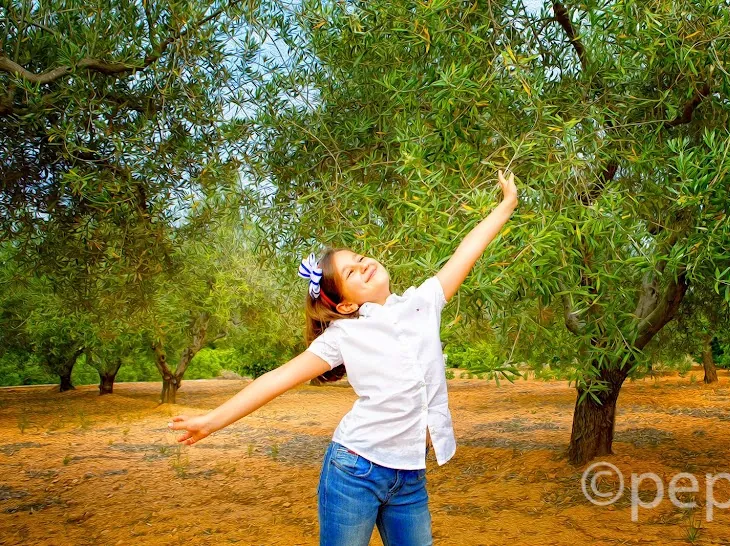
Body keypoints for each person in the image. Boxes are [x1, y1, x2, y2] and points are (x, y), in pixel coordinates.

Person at [168, 169, 519, 545]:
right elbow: (275, 380)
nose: (364, 264)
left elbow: (466, 251)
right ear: (347, 303)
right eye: (351, 271)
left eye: (361, 257)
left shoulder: (424, 303)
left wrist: (505, 207)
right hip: (355, 471)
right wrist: (212, 421)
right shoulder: (344, 335)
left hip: (410, 475)